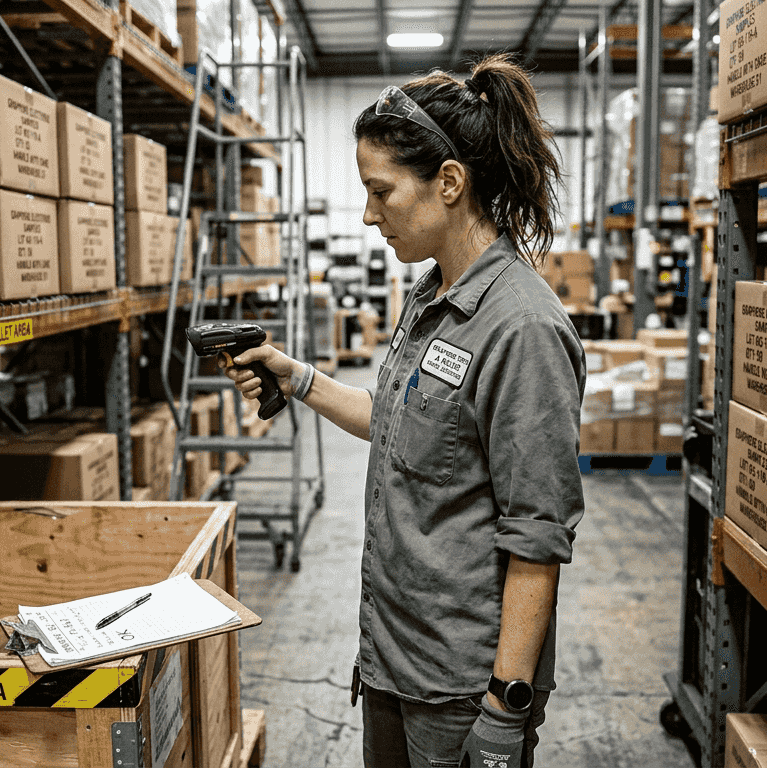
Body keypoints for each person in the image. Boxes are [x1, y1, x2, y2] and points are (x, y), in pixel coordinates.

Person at [219, 53, 586, 768]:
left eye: (381, 190)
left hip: (460, 684)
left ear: (449, 183)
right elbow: (398, 422)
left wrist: (505, 707)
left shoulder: (522, 329)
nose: (367, 212)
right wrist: (297, 378)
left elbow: (537, 538)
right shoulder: (428, 298)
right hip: (392, 657)